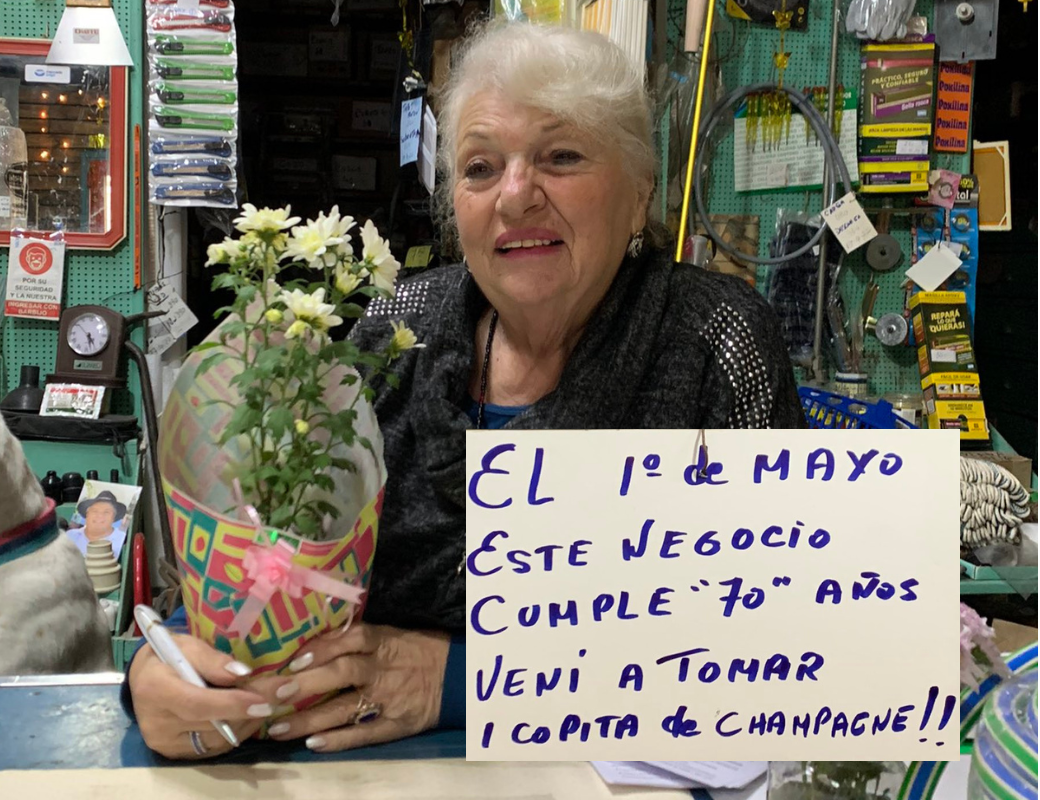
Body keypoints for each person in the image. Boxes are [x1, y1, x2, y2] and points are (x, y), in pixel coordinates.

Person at [125, 21, 806, 761]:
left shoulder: (716, 341)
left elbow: (787, 646)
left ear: (639, 191)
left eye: (561, 156)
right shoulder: (391, 335)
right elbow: (246, 557)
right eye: (481, 168)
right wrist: (163, 675)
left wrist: (461, 685)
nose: (515, 196)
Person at [66, 490, 129, 560]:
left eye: (106, 512)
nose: (100, 516)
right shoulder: (71, 535)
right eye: (95, 511)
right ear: (87, 514)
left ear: (114, 517)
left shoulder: (121, 538)